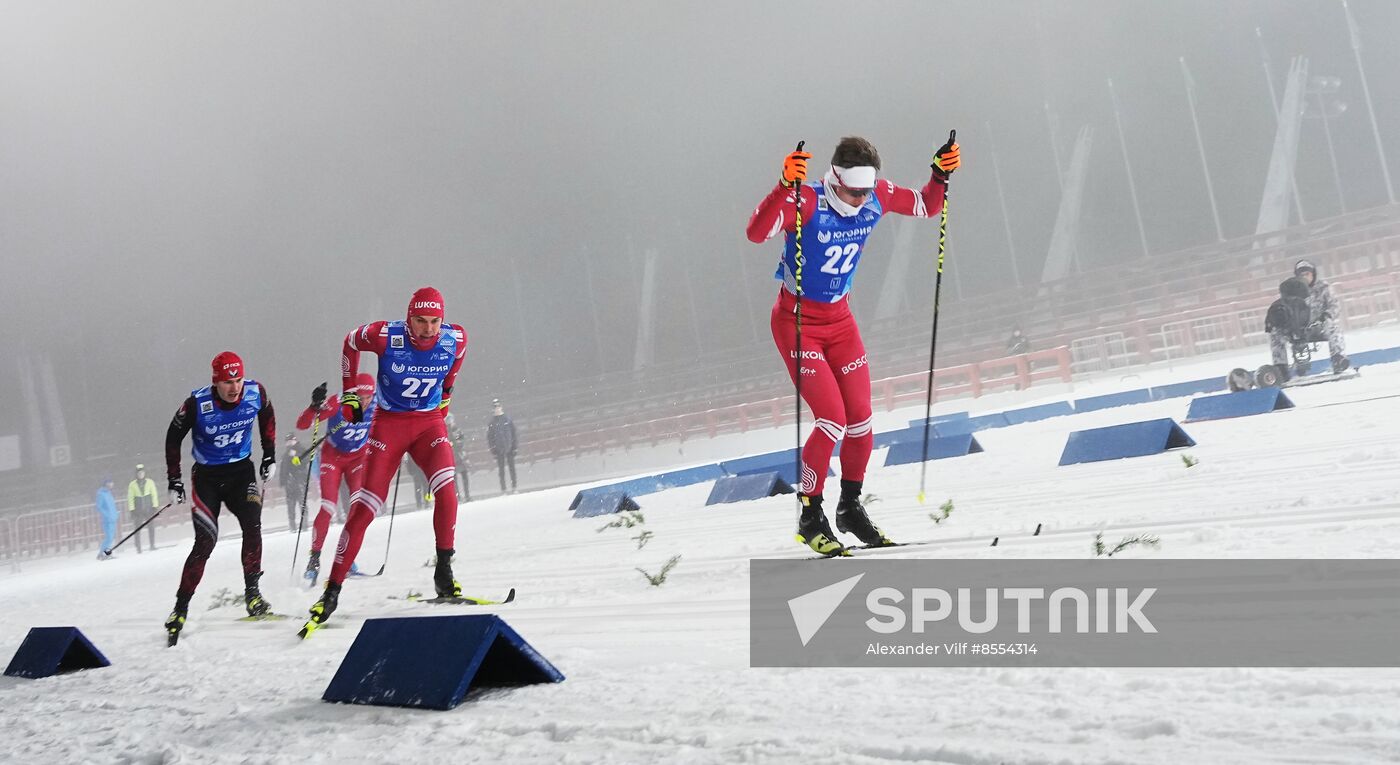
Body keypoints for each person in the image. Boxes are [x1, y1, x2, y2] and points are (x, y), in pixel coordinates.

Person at [745, 134, 959, 555]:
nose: (861, 200)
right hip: (798, 324)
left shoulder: (877, 193)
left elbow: (928, 205)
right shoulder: (806, 201)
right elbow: (756, 233)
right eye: (853, 191)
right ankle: (810, 514)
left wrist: (940, 173)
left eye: (866, 190)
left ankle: (850, 507)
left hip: (841, 322)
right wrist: (782, 186)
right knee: (832, 419)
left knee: (861, 420)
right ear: (835, 179)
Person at [301, 287, 467, 635]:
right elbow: (349, 341)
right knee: (364, 509)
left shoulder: (456, 338)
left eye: (435, 322)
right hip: (388, 426)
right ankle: (331, 591)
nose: (428, 329)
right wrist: (348, 393)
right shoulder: (384, 334)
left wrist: (444, 404)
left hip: (426, 424)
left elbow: (451, 376)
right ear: (409, 318)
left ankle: (444, 572)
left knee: (447, 492)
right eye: (420, 321)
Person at [162, 351, 278, 643]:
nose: (234, 387)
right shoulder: (197, 403)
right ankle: (180, 608)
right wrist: (174, 479)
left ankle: (253, 594)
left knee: (253, 527)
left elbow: (267, 416)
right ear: (216, 382)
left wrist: (269, 455)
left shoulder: (255, 392)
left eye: (238, 379)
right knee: (205, 542)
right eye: (227, 381)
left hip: (241, 473)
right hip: (207, 478)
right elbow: (173, 437)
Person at [297, 375, 377, 584]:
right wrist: (314, 407)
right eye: (360, 397)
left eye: (368, 397)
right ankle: (314, 560)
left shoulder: (378, 403)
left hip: (357, 458)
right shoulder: (339, 401)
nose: (364, 401)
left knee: (358, 507)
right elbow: (303, 424)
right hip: (333, 457)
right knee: (328, 507)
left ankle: (347, 560)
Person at [1269, 259, 1349, 378]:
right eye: (1302, 275)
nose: (1305, 277)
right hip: (1295, 326)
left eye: (1307, 274)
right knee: (1275, 333)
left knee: (1333, 327)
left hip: (1318, 325)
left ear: (1313, 274)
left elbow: (1335, 306)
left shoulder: (1323, 288)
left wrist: (1326, 315)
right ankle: (1281, 368)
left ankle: (1338, 359)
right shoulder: (1291, 290)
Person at [126, 464, 160, 552]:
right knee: (137, 529)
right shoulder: (132, 485)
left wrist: (155, 506)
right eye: (139, 473)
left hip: (148, 509)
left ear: (144, 473)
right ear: (136, 474)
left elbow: (154, 495)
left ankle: (152, 545)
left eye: (142, 473)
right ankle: (138, 547)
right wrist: (132, 509)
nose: (140, 474)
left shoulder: (150, 482)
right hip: (138, 510)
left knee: (151, 527)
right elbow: (130, 498)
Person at [487, 398, 517, 494]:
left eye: (498, 406)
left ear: (501, 407)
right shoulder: (492, 423)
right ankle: (503, 488)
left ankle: (514, 487)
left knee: (512, 468)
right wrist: (493, 450)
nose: (497, 408)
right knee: (501, 470)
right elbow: (490, 438)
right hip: (499, 449)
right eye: (495, 407)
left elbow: (514, 433)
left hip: (509, 447)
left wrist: (514, 446)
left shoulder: (507, 419)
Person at [280, 439, 310, 532]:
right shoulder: (285, 454)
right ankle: (292, 526)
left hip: (300, 480)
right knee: (291, 505)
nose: (289, 443)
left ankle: (304, 525)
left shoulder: (301, 450)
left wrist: (296, 456)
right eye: (287, 441)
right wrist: (283, 481)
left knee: (302, 504)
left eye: (291, 441)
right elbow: (283, 469)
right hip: (290, 483)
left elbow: (303, 463)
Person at [445, 413, 471, 502]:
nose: (450, 422)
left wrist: (458, 444)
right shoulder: (445, 432)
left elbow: (463, 440)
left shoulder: (457, 430)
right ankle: (458, 497)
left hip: (461, 456)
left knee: (465, 476)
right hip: (452, 457)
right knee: (454, 479)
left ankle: (467, 495)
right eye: (448, 420)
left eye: (450, 419)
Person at [95, 478, 118, 560]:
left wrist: (115, 514)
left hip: (112, 518)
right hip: (107, 519)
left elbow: (111, 506)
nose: (112, 484)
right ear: (106, 484)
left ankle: (105, 554)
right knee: (109, 538)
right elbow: (99, 507)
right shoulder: (101, 494)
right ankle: (103, 554)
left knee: (110, 538)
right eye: (110, 483)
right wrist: (107, 515)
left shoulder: (108, 493)